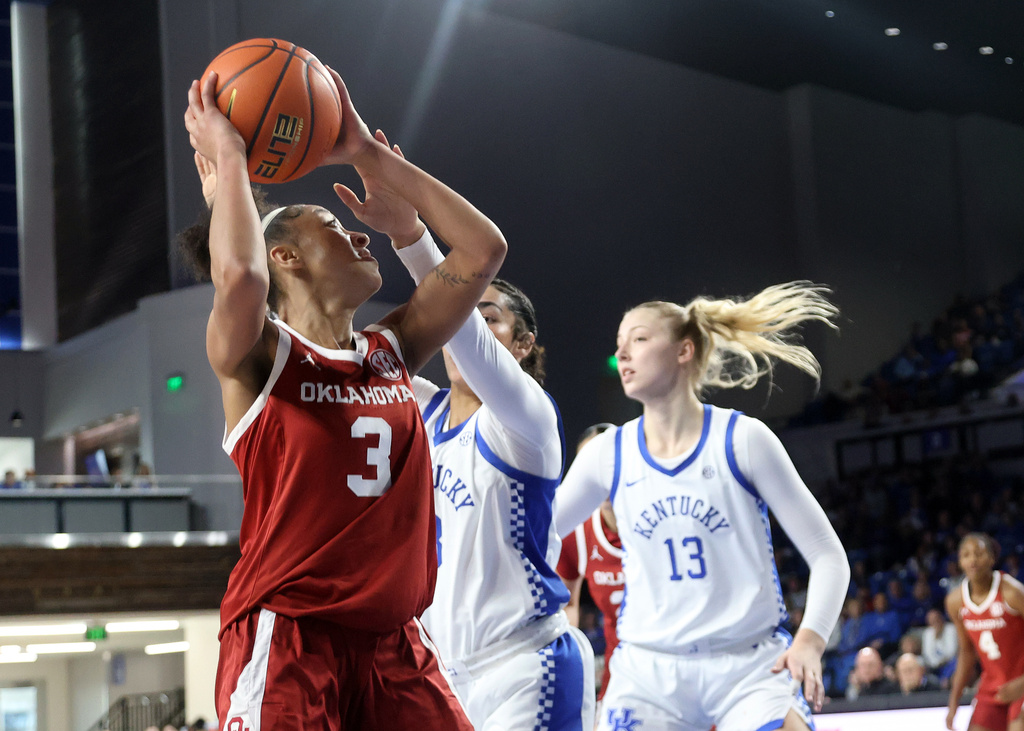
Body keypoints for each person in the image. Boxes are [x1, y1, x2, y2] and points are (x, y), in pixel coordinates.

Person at [181, 65, 506, 729]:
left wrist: (367, 153)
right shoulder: (259, 358)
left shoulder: (392, 347)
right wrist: (233, 162)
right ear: (287, 259)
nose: (358, 234)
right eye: (333, 225)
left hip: (396, 643)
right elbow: (239, 274)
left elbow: (482, 249)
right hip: (293, 636)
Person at [554, 283, 851, 731]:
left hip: (749, 666)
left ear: (684, 350)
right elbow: (536, 534)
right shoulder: (607, 453)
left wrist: (810, 639)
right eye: (619, 346)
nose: (624, 355)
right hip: (648, 670)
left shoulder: (743, 439)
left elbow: (828, 555)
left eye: (638, 339)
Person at [380, 179, 594, 730]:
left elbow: (460, 331)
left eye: (488, 316)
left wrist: (410, 236)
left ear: (521, 346)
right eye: (465, 310)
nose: (467, 321)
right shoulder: (421, 413)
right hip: (444, 676)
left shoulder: (526, 419)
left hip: (525, 666)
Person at [556, 423, 624, 703]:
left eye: (607, 461)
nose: (601, 476)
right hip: (622, 673)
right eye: (589, 466)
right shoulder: (576, 535)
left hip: (687, 661)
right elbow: (566, 603)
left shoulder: (668, 516)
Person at [945, 533, 1024, 731]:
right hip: (993, 687)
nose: (973, 559)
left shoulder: (1012, 593)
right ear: (960, 562)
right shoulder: (955, 602)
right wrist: (954, 700)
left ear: (991, 558)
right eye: (966, 555)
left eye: (979, 553)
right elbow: (966, 652)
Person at [921, 607, 958, 673]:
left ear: (942, 618)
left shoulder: (951, 629)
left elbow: (951, 652)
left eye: (936, 619)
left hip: (950, 664)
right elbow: (927, 653)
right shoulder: (927, 633)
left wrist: (939, 637)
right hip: (934, 666)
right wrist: (936, 663)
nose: (935, 623)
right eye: (932, 621)